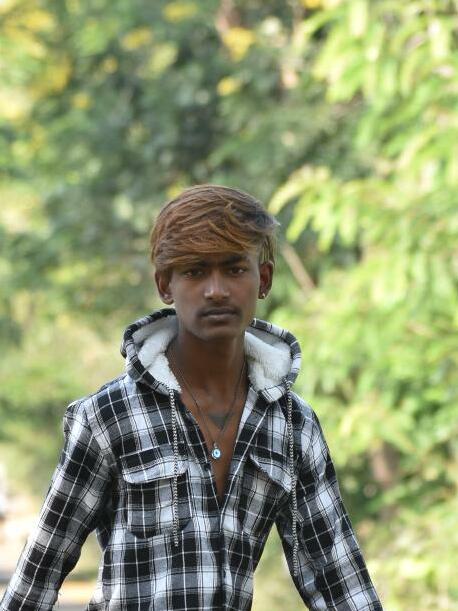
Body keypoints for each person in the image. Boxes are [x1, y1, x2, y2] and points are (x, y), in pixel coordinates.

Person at [0, 185, 383, 610]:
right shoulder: (108, 417)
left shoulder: (292, 426)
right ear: (165, 284)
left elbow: (340, 582)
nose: (216, 290)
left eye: (234, 269)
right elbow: (38, 573)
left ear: (264, 279)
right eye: (195, 271)